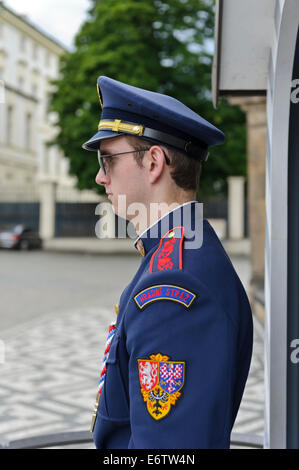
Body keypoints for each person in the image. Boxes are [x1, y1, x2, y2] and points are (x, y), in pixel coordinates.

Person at [82, 76, 253, 449]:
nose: (99, 176)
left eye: (107, 159)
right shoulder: (180, 254)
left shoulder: (173, 286)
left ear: (155, 162)